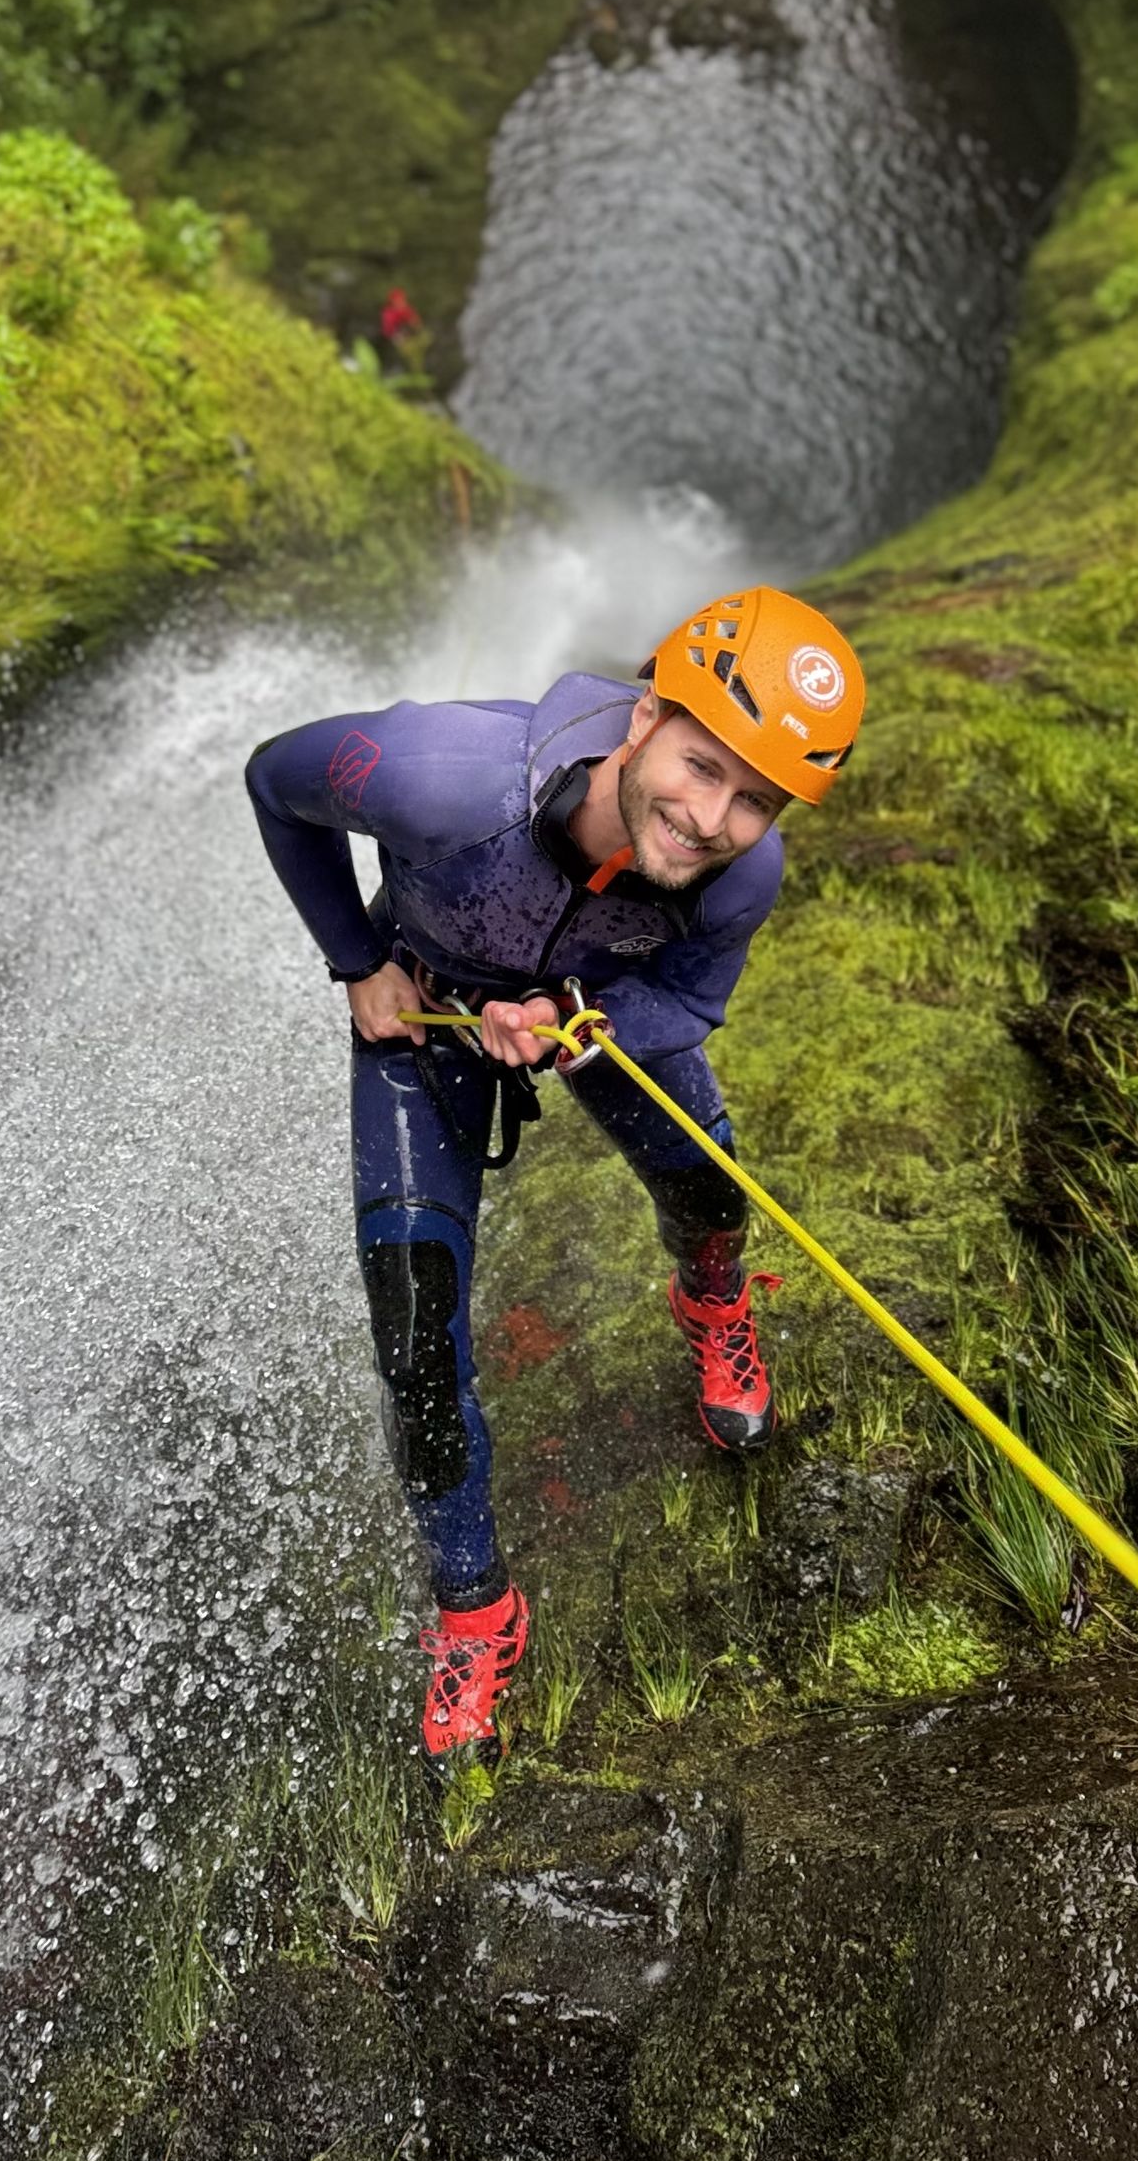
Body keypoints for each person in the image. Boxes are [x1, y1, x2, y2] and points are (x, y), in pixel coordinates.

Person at [246, 584, 866, 1762]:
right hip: (418, 1008)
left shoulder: (743, 874)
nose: (711, 816)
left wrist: (581, 1012)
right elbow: (277, 780)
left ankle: (714, 1299)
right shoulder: (441, 773)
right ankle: (478, 1607)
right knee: (415, 1331)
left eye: (755, 797)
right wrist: (358, 960)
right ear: (644, 716)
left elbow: (689, 1000)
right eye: (699, 763)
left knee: (707, 1190)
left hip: (592, 1014)